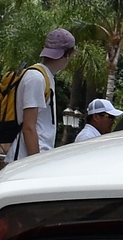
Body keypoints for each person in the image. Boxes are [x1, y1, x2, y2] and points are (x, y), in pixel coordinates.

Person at [7, 28, 73, 164]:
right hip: (24, 161)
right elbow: (29, 127)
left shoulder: (45, 76)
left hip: (30, 158)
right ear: (67, 55)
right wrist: (35, 164)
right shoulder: (36, 78)